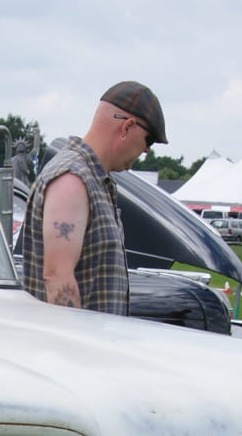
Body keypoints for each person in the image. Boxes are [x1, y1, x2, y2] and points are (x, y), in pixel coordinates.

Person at [21, 81, 166, 314]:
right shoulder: (72, 179)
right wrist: (74, 347)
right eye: (148, 141)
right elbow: (58, 277)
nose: (147, 151)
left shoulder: (93, 180)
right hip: (72, 348)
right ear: (127, 127)